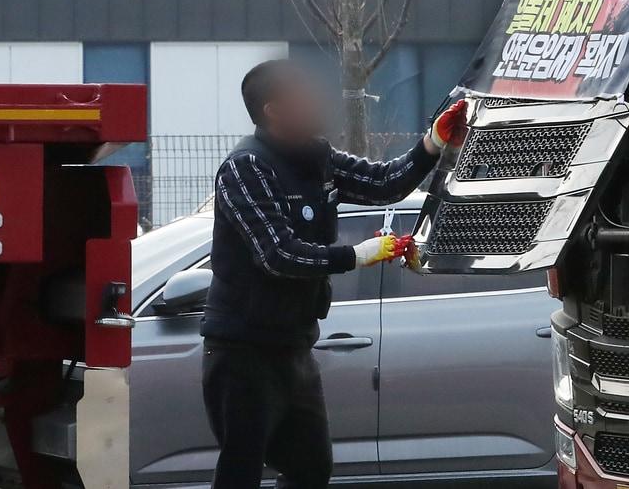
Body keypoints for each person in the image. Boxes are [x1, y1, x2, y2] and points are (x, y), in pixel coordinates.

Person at [200, 58, 467, 489]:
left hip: (295, 346)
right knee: (240, 471)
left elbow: (384, 183)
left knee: (310, 469)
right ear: (275, 109)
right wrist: (356, 256)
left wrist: (432, 143)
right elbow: (278, 255)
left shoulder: (317, 156)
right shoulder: (246, 168)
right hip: (242, 353)